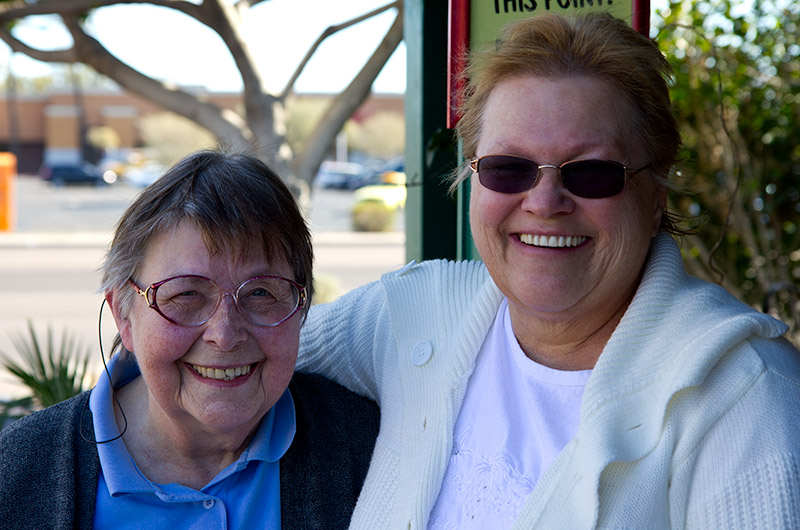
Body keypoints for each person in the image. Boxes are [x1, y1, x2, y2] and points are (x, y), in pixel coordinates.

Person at [296, 12, 800, 529]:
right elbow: (248, 349)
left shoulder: (743, 390)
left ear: (655, 197)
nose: (544, 201)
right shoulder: (412, 313)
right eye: (507, 167)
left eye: (591, 173)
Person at [0, 150, 380, 529]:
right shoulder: (15, 473)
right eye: (186, 294)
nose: (225, 335)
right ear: (123, 314)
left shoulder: (374, 449)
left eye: (262, 293)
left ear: (301, 308)